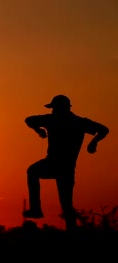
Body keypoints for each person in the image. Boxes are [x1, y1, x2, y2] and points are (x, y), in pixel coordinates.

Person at [23, 94, 109, 231]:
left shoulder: (52, 120)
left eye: (54, 108)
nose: (52, 111)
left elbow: (29, 120)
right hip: (68, 168)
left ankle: (36, 209)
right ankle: (71, 230)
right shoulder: (79, 122)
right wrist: (93, 143)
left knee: (32, 171)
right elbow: (104, 130)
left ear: (58, 108)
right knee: (66, 204)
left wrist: (38, 129)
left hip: (53, 163)